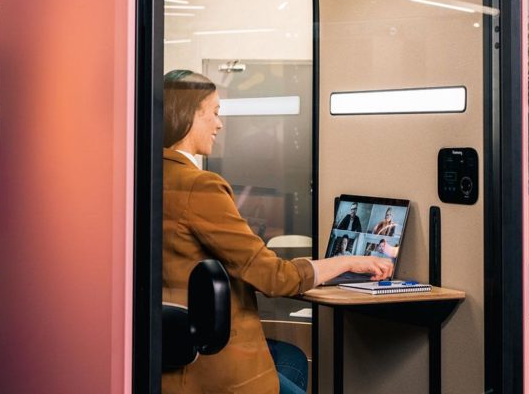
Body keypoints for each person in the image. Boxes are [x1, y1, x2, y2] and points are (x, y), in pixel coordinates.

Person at [161, 70, 393, 394]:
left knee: (291, 359)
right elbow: (272, 277)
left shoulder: (146, 174)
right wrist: (345, 262)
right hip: (209, 365)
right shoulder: (199, 186)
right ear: (188, 115)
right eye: (214, 113)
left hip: (168, 353)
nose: (219, 124)